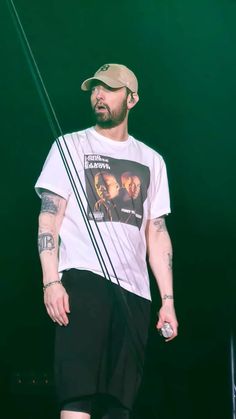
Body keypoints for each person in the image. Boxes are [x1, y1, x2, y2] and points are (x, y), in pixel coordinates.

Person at [35, 63, 178, 419]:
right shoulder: (70, 145)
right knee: (77, 396)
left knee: (120, 404)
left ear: (132, 99)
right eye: (96, 89)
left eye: (110, 89)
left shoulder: (152, 160)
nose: (99, 95)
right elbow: (49, 215)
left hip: (135, 292)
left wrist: (168, 300)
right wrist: (51, 280)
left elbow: (157, 232)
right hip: (84, 280)